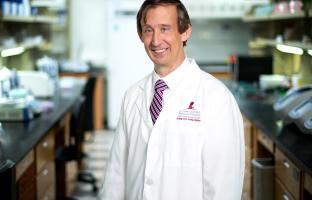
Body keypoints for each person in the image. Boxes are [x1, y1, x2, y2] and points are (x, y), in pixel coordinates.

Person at [99, 0, 245, 199]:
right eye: (148, 30)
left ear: (185, 32)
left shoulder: (217, 99)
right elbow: (116, 175)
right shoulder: (132, 96)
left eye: (164, 29)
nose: (156, 40)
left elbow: (223, 188)